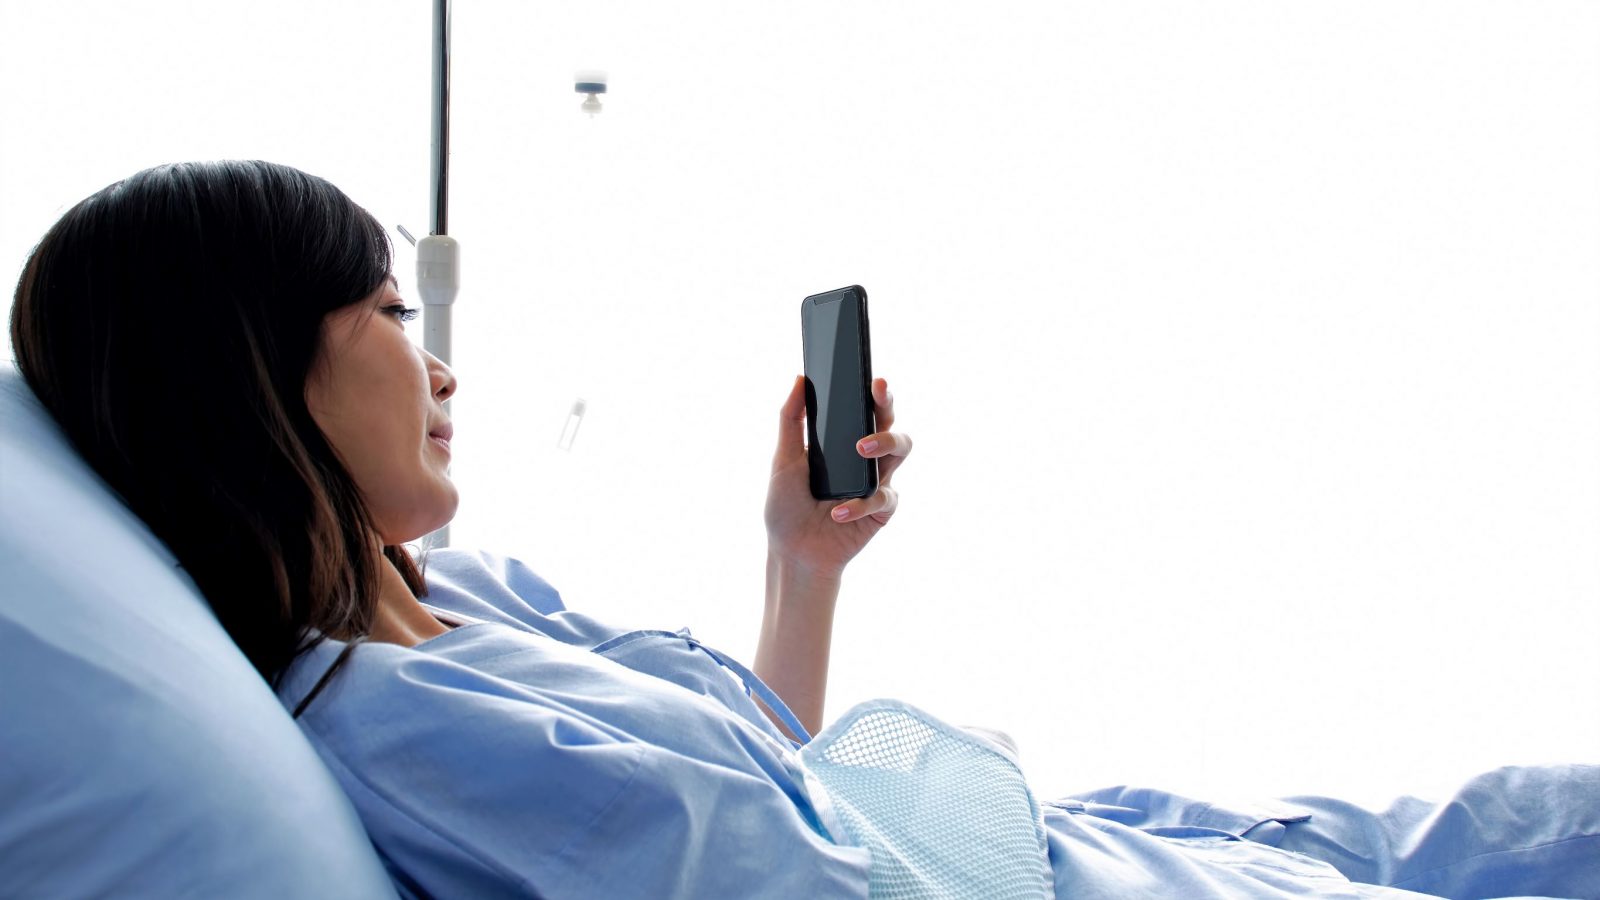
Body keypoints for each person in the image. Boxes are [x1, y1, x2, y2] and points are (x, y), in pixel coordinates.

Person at [10, 160, 1597, 899]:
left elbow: (752, 782)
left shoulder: (466, 601)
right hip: (1043, 880)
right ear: (248, 367)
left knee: (1525, 819)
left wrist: (801, 561)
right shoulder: (413, 737)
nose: (438, 362)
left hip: (1073, 840)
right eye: (382, 306)